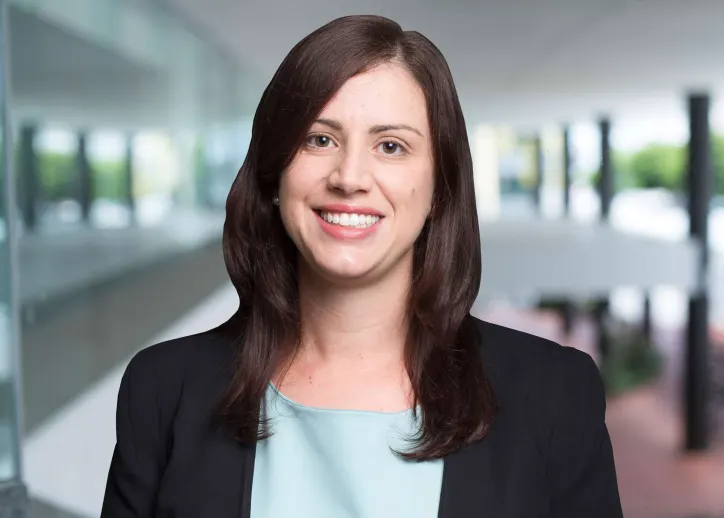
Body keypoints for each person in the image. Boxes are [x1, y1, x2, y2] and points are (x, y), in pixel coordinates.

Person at [101, 14, 623, 518]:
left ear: (440, 189)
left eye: (391, 146)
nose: (349, 176)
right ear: (275, 174)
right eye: (319, 139)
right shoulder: (162, 389)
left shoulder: (554, 395)